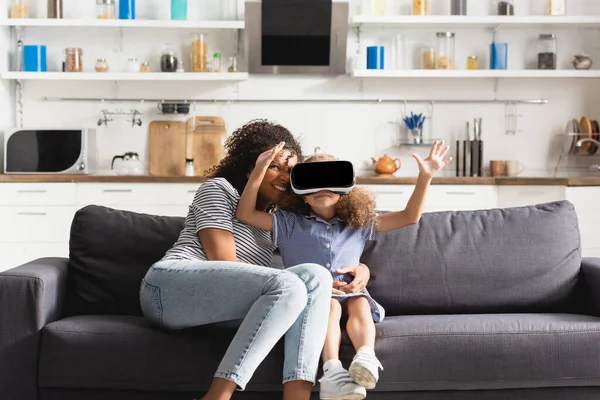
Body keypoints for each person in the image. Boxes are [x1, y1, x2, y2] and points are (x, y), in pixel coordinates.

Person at [139, 119, 373, 400]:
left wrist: (361, 268)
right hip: (169, 289)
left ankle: (300, 395)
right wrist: (289, 285)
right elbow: (223, 263)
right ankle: (217, 397)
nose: (284, 177)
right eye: (274, 166)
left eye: (291, 171)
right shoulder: (218, 190)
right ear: (250, 169)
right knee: (292, 285)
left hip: (219, 309)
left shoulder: (279, 221)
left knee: (315, 277)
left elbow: (310, 263)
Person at [236, 141, 452, 400]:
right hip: (314, 300)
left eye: (329, 179)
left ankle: (366, 358)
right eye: (312, 181)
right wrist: (260, 169)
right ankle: (333, 371)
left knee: (360, 303)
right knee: (331, 306)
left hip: (352, 293)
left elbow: (409, 216)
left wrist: (425, 176)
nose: (321, 188)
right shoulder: (288, 223)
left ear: (344, 188)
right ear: (300, 191)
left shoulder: (358, 223)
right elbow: (246, 213)